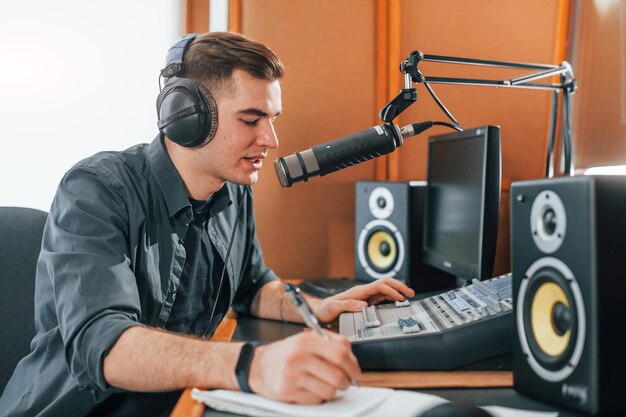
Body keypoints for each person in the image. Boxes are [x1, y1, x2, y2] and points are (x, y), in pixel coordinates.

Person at [0, 32, 414, 417]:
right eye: (251, 120)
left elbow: (254, 288)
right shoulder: (95, 190)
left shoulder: (234, 191)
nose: (271, 139)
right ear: (186, 117)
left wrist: (315, 309)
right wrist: (254, 365)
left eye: (272, 118)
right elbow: (103, 345)